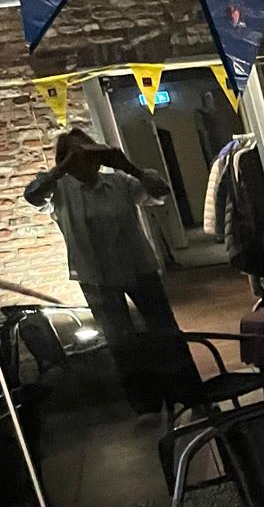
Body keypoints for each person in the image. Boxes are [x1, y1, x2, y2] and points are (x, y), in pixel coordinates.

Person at [24, 128, 183, 413]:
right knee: (121, 342)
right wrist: (62, 169)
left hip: (138, 266)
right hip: (96, 275)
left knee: (165, 331)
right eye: (78, 154)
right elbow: (33, 195)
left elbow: (160, 191)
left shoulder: (118, 182)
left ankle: (186, 391)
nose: (87, 159)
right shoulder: (60, 191)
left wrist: (127, 165)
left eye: (90, 151)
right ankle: (146, 405)